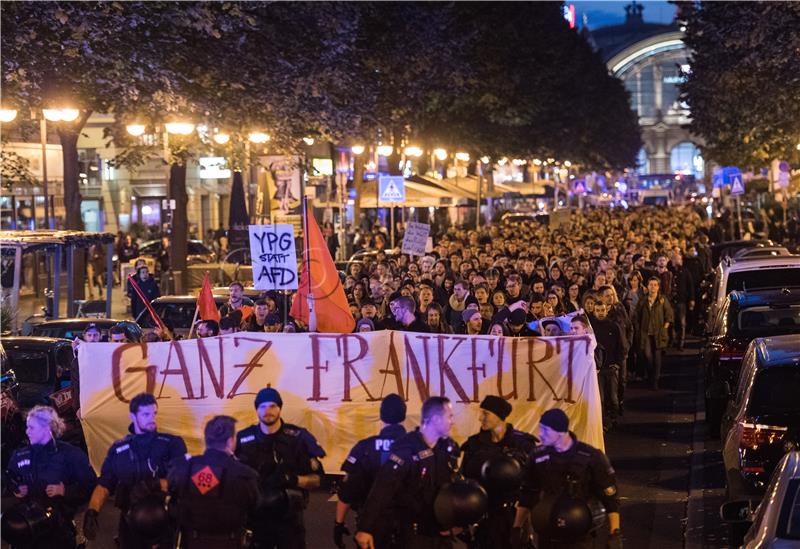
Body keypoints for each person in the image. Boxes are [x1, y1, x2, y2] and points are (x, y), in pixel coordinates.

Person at [83, 393, 188, 548]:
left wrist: (155, 484)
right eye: (146, 414)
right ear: (132, 416)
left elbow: (183, 479)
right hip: (130, 525)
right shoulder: (119, 449)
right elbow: (105, 484)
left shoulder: (171, 444)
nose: (151, 418)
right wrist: (92, 511)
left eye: (154, 413)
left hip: (163, 523)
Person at [355, 396, 460, 549]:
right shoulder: (407, 448)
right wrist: (365, 528)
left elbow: (451, 489)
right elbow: (383, 488)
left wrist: (457, 522)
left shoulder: (446, 449)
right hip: (413, 535)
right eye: (449, 416)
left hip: (440, 535)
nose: (452, 421)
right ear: (436, 419)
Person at [512, 409, 621, 549]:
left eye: (545, 430)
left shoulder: (591, 457)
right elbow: (528, 494)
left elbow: (610, 499)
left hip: (579, 536)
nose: (540, 435)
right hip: (547, 533)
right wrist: (517, 527)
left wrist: (614, 533)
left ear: (560, 431)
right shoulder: (538, 458)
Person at [235, 388, 326, 549]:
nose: (267, 411)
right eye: (262, 407)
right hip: (255, 518)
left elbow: (318, 480)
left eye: (272, 406)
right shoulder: (243, 439)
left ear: (280, 408)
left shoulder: (298, 438)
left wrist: (293, 479)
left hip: (289, 518)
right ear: (256, 409)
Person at [6, 405, 97, 549]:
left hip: (58, 530)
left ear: (47, 428)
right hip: (27, 528)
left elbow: (91, 485)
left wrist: (65, 491)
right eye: (27, 427)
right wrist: (16, 489)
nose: (27, 432)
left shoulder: (71, 455)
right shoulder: (19, 455)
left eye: (32, 428)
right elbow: (10, 478)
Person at [168, 415, 260, 548]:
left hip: (192, 542)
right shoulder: (244, 474)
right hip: (229, 542)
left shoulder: (182, 468)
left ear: (206, 440)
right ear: (230, 441)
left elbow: (172, 495)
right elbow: (254, 507)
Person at [460, 396, 537, 549]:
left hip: (514, 517)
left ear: (499, 415)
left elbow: (534, 483)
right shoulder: (474, 445)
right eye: (481, 413)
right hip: (483, 517)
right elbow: (466, 479)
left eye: (486, 413)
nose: (481, 418)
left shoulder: (522, 444)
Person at [335, 394, 407, 549]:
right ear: (404, 415)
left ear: (381, 416)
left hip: (371, 526)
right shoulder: (418, 447)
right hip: (409, 526)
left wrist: (338, 523)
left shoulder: (364, 447)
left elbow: (347, 490)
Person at [634, 277, 674, 390]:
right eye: (651, 284)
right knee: (647, 356)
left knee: (657, 357)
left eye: (655, 285)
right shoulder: (643, 300)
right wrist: (638, 328)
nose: (653, 287)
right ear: (647, 286)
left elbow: (669, 314)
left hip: (658, 333)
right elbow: (637, 315)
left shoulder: (662, 300)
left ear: (658, 286)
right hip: (645, 332)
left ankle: (655, 380)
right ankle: (651, 375)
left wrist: (664, 327)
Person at [591, 303, 624, 430]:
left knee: (613, 397)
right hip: (598, 370)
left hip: (611, 367)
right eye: (597, 310)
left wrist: (617, 363)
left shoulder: (613, 327)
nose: (600, 312)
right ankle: (604, 422)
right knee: (601, 399)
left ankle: (613, 418)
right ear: (594, 311)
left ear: (607, 311)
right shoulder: (592, 329)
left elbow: (621, 346)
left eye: (602, 310)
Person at [69, 322, 102, 417]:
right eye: (89, 335)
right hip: (85, 405)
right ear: (84, 336)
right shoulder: (78, 359)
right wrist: (78, 407)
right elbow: (76, 385)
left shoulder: (106, 354)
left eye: (95, 335)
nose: (92, 338)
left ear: (100, 336)